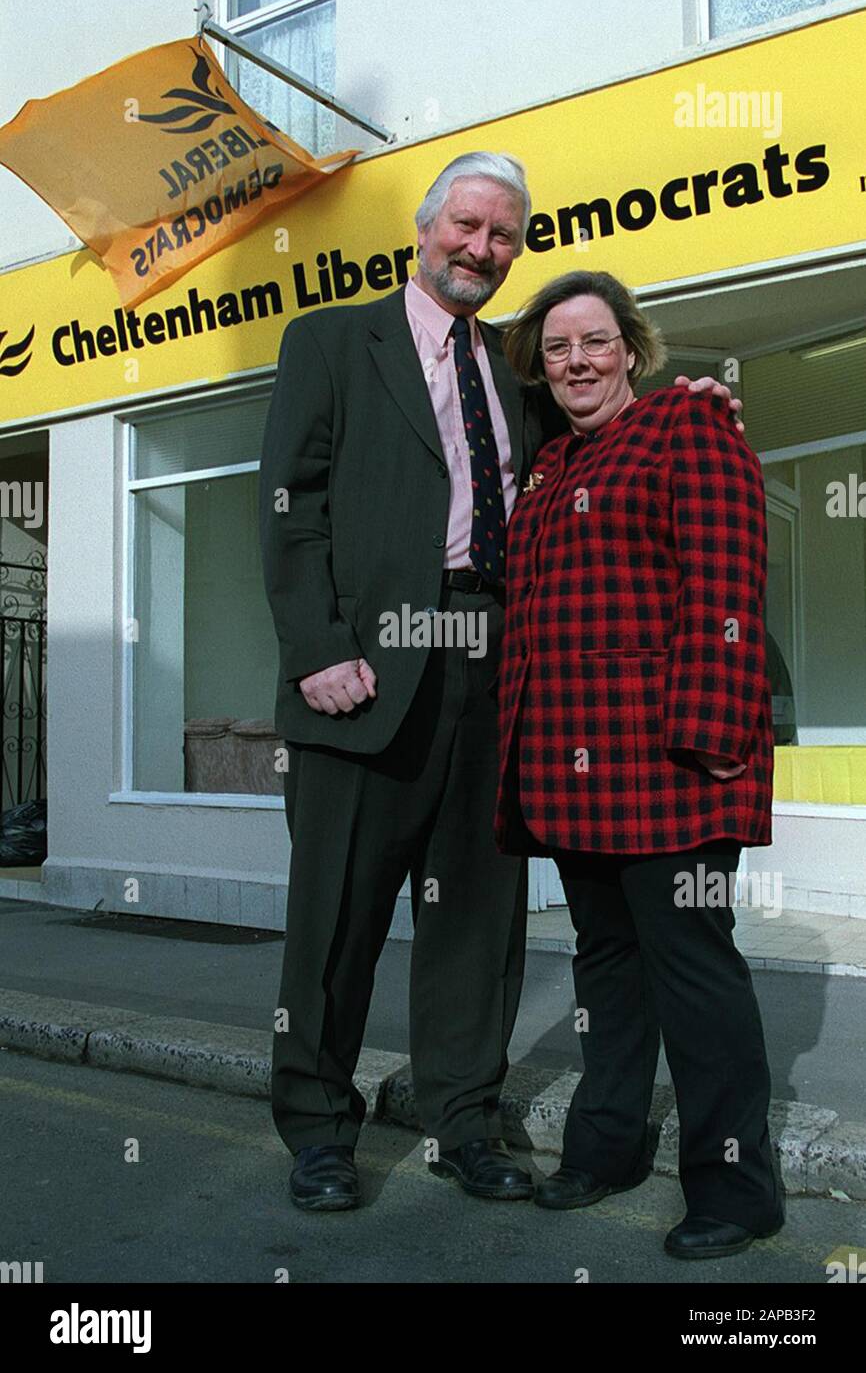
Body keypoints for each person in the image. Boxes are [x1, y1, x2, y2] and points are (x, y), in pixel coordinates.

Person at [259, 153, 742, 1213]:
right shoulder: (332, 340)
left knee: (476, 920)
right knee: (335, 915)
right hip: (365, 663)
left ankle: (464, 1120)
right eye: (466, 226)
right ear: (424, 228)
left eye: (502, 236)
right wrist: (315, 646)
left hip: (495, 660)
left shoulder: (518, 374)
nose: (480, 249)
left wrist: (692, 391)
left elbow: (600, 415)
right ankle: (319, 1128)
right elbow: (291, 506)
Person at [494, 269, 784, 1259]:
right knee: (605, 971)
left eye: (593, 341)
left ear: (630, 347)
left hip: (670, 769)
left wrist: (706, 740)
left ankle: (738, 1190)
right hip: (575, 777)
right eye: (557, 347)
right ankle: (606, 1147)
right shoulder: (545, 471)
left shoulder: (685, 429)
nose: (575, 360)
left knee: (694, 978)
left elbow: (726, 587)